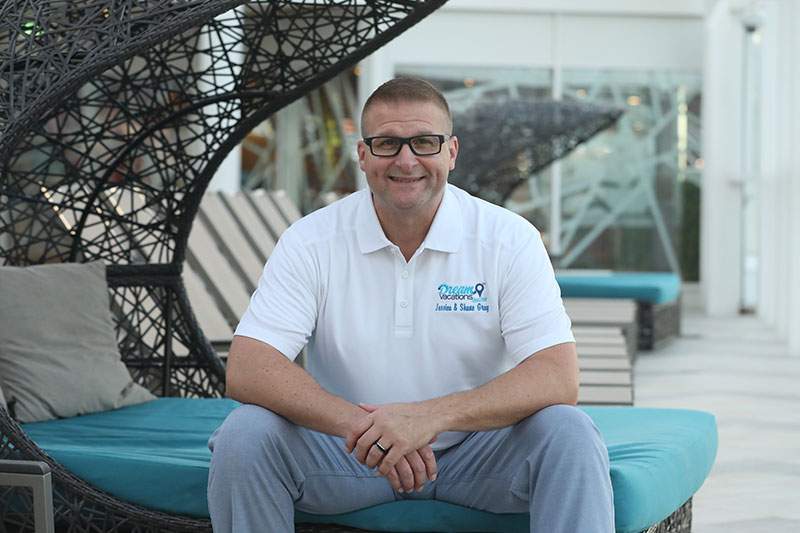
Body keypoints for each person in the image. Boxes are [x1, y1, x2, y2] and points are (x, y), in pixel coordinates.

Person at [207, 77, 614, 532]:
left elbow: (558, 375)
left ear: (451, 152)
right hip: (348, 456)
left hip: (477, 456)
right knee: (244, 434)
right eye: (387, 143)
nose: (406, 160)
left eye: (424, 142)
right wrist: (365, 430)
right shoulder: (311, 240)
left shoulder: (507, 238)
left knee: (570, 433)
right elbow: (248, 365)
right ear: (362, 155)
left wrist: (428, 418)